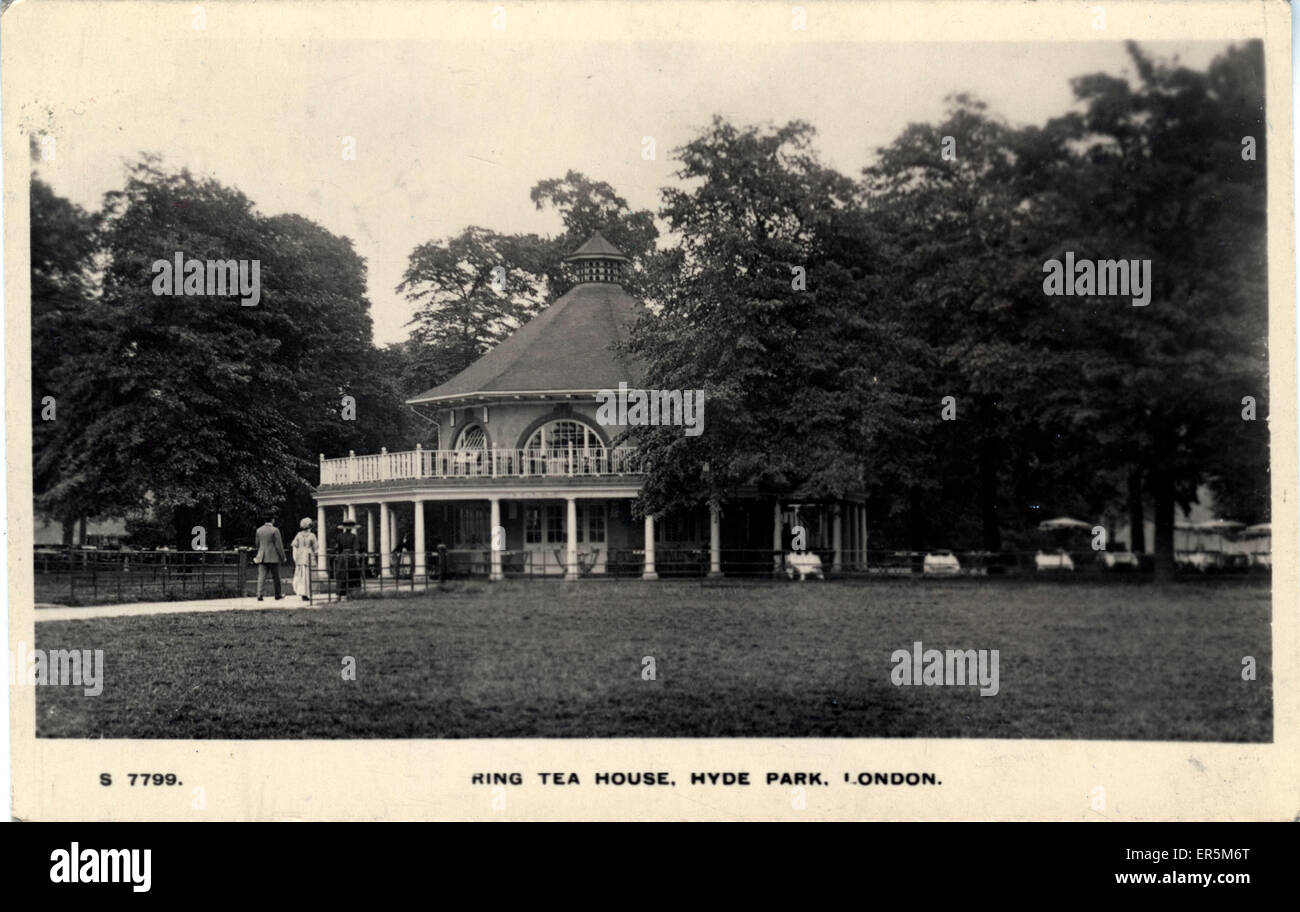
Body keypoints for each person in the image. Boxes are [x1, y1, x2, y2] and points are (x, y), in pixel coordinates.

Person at [253, 515, 287, 601]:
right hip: (273, 556)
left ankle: (259, 594)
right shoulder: (275, 530)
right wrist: (283, 557)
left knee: (261, 576)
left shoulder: (259, 530)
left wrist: (260, 552)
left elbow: (257, 544)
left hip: (262, 556)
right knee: (276, 577)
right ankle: (277, 594)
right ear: (272, 520)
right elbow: (279, 545)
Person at [290, 517, 319, 602]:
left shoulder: (298, 535)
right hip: (309, 555)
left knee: (302, 575)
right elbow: (316, 548)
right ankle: (307, 592)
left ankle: (303, 592)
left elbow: (294, 546)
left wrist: (295, 557)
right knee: (308, 575)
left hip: (300, 556)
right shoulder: (312, 535)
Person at [336, 519, 361, 599]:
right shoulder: (354, 536)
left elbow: (338, 549)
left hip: (342, 556)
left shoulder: (340, 536)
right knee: (352, 573)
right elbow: (356, 548)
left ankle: (339, 594)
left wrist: (339, 556)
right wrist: (357, 559)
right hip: (351, 556)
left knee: (341, 574)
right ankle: (350, 594)